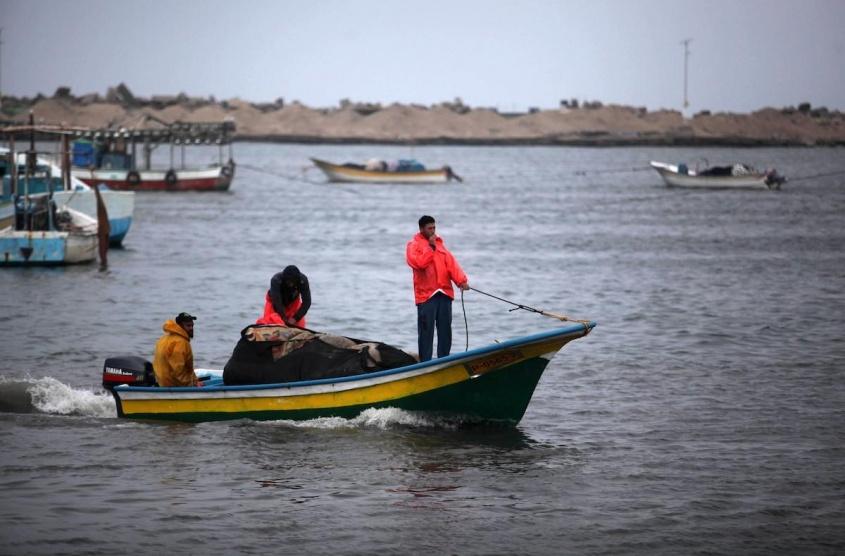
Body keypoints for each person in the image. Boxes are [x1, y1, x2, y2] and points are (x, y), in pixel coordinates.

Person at [406, 215, 469, 361]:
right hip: (426, 295)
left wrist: (461, 281)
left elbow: (451, 264)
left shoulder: (440, 245)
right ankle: (425, 363)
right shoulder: (413, 245)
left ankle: (443, 360)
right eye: (429, 228)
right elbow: (419, 263)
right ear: (421, 229)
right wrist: (431, 247)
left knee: (445, 331)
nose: (433, 230)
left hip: (444, 293)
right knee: (426, 332)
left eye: (434, 227)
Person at [153, 312, 203, 387]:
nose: (191, 328)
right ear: (180, 326)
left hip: (161, 383)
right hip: (173, 385)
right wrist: (192, 384)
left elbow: (187, 368)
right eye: (188, 326)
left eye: (192, 325)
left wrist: (195, 380)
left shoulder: (164, 338)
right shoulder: (181, 343)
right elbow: (177, 372)